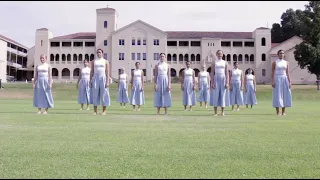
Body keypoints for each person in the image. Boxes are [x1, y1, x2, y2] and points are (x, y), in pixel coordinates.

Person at [89, 49, 110, 115]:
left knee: (104, 94)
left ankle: (104, 111)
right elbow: (91, 71)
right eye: (97, 52)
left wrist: (107, 81)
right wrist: (90, 81)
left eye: (100, 52)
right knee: (95, 94)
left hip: (103, 78)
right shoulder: (93, 61)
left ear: (102, 53)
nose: (98, 53)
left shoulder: (106, 61)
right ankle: (95, 111)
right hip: (95, 78)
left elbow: (107, 72)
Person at [272, 49, 292, 116]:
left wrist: (290, 82)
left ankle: (283, 112)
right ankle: (278, 112)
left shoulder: (286, 62)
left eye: (283, 53)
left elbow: (288, 72)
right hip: (277, 78)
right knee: (277, 95)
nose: (282, 54)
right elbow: (272, 72)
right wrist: (273, 81)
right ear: (278, 54)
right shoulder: (275, 62)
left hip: (285, 78)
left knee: (285, 94)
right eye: (280, 53)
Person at [210, 50, 230, 116]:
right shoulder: (214, 62)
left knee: (223, 95)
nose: (219, 55)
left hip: (223, 78)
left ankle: (223, 112)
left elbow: (227, 73)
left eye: (221, 53)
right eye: (218, 53)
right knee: (216, 95)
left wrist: (227, 82)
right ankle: (216, 112)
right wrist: (212, 82)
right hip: (216, 78)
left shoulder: (225, 62)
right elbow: (212, 73)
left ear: (222, 54)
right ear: (216, 54)